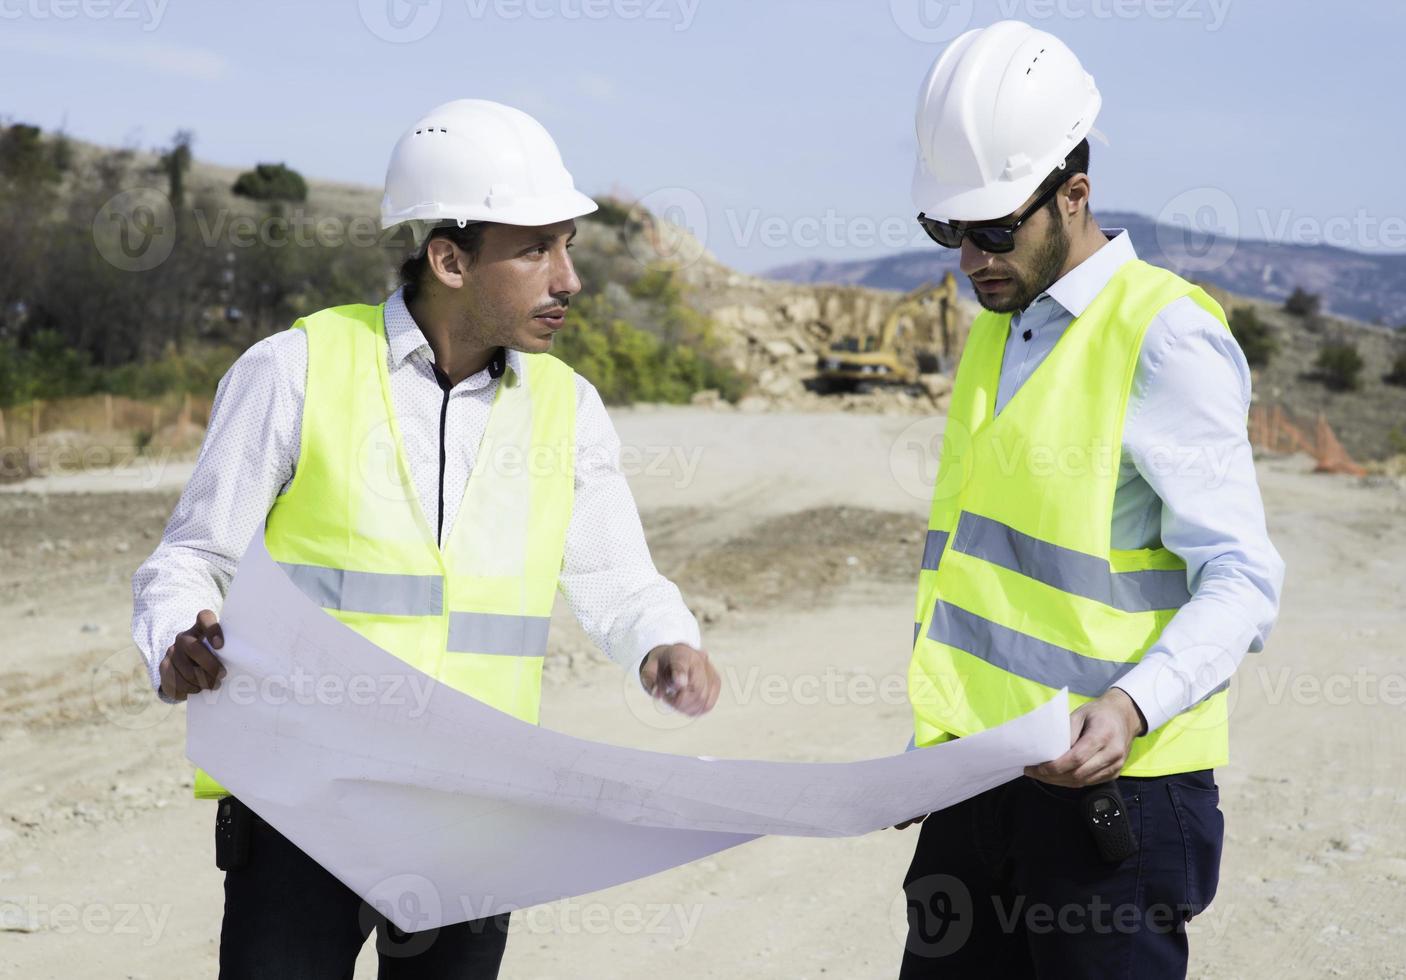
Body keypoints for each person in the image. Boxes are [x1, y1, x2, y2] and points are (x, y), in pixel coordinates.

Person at [131, 98, 721, 979]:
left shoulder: (569, 408)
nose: (569, 280)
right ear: (448, 258)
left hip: (475, 818)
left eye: (568, 246)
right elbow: (192, 558)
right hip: (305, 809)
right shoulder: (295, 370)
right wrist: (178, 638)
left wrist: (664, 642)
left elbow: (619, 579)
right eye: (535, 250)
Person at [894, 21, 1284, 978]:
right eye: (951, 232)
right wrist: (928, 752)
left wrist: (1129, 706)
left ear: (1075, 195)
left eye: (994, 229)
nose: (973, 257)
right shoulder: (998, 329)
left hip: (1118, 801)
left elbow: (1241, 578)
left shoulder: (1164, 337)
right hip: (976, 786)